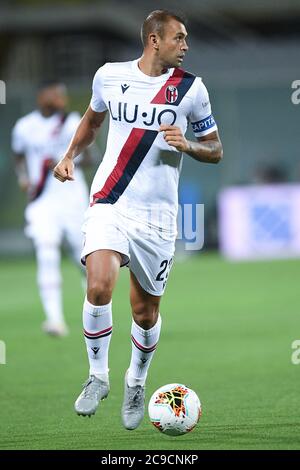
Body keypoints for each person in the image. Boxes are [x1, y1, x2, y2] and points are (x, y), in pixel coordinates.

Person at [53, 10, 223, 429]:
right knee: (98, 284)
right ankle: (97, 377)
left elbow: (215, 148)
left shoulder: (191, 89)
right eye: (178, 38)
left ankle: (136, 380)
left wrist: (188, 146)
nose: (185, 46)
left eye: (186, 39)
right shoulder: (109, 76)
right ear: (154, 40)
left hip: (158, 217)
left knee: (145, 313)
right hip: (110, 200)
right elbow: (92, 121)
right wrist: (70, 155)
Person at [12, 82, 90, 337]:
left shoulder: (72, 123)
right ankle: (55, 320)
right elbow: (19, 155)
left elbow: (92, 157)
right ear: (41, 95)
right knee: (46, 252)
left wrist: (69, 157)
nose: (59, 99)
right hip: (43, 202)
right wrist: (24, 177)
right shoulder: (25, 127)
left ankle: (94, 315)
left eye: (62, 95)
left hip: (72, 199)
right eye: (54, 94)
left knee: (84, 261)